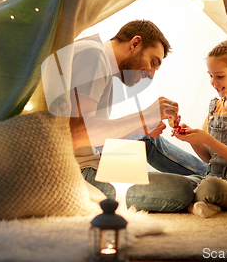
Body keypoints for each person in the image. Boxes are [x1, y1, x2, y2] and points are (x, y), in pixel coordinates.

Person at [65, 20, 208, 212]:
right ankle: (213, 182)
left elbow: (85, 130)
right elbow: (77, 135)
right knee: (182, 190)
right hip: (77, 173)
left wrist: (140, 126)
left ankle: (215, 178)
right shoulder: (94, 56)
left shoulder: (99, 57)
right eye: (152, 63)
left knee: (145, 137)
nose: (151, 74)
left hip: (89, 156)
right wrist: (144, 116)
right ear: (135, 43)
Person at [174, 39, 227, 218]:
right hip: (211, 175)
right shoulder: (215, 106)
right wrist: (191, 139)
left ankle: (194, 204)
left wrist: (207, 139)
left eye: (220, 76)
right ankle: (206, 204)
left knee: (210, 187)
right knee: (178, 184)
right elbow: (208, 157)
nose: (213, 82)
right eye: (210, 75)